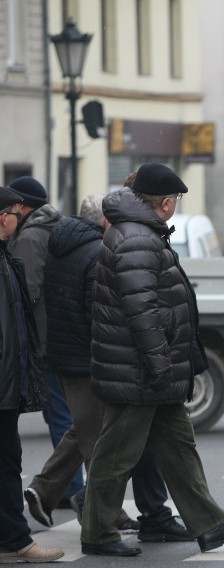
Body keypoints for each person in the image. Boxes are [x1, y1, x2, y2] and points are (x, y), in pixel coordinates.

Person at [80, 163, 224, 556]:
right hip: (140, 371)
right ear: (165, 203)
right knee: (116, 455)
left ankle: (211, 525)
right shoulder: (137, 240)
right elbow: (142, 312)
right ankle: (97, 532)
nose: (176, 205)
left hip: (147, 370)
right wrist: (160, 366)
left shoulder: (137, 233)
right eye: (176, 199)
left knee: (180, 450)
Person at [24, 193, 190, 542]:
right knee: (104, 439)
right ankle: (94, 512)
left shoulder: (63, 247)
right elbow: (98, 313)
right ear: (105, 222)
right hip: (92, 358)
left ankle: (62, 496)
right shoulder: (97, 252)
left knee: (89, 430)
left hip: (64, 352)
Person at [7, 176, 84, 509]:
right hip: (66, 334)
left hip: (44, 340)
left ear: (24, 207)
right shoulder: (59, 227)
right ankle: (73, 485)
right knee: (70, 411)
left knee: (59, 413)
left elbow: (25, 290)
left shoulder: (29, 237)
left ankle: (69, 486)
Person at [0, 186, 64, 563]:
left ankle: (12, 540)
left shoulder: (7, 256)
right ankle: (16, 540)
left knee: (9, 459)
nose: (15, 220)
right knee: (7, 461)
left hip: (8, 382)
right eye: (12, 213)